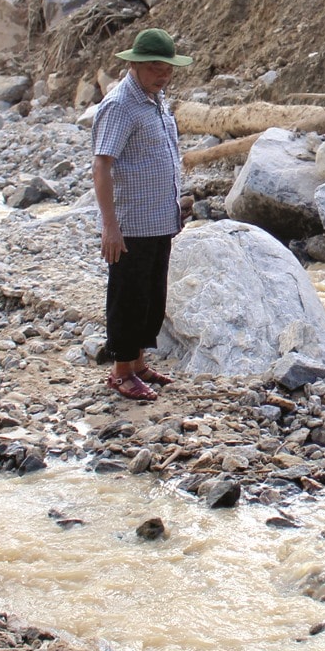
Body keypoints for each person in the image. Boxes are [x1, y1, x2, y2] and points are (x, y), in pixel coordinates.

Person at [92, 27, 196, 402]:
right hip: (131, 222)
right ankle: (121, 373)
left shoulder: (156, 99)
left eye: (167, 68)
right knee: (129, 295)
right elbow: (102, 166)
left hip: (158, 219)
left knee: (151, 295)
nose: (163, 74)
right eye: (155, 67)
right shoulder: (120, 105)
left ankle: (137, 364)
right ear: (135, 65)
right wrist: (109, 226)